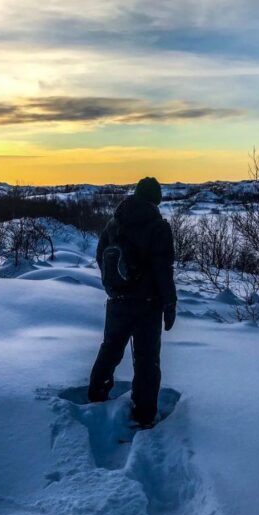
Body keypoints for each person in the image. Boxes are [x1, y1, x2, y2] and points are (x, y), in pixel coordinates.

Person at [88, 176, 177, 428]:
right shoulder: (158, 226)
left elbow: (100, 256)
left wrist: (117, 285)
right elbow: (163, 269)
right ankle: (144, 414)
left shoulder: (115, 222)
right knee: (147, 361)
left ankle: (96, 396)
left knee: (110, 350)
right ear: (155, 199)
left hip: (117, 301)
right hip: (148, 305)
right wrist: (169, 304)